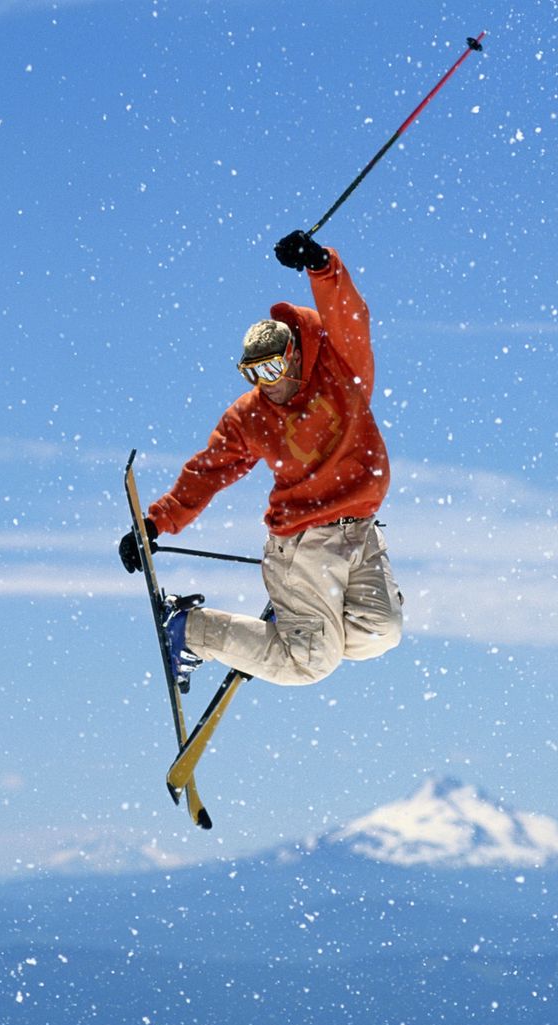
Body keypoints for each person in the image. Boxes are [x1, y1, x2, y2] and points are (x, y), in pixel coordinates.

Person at [119, 229, 403, 688]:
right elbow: (209, 471)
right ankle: (191, 630)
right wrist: (155, 523)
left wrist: (319, 263)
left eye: (271, 369)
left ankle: (296, 626)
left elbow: (350, 315)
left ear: (294, 357)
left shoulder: (341, 369)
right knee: (311, 663)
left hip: (360, 529)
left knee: (381, 631)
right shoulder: (252, 415)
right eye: (252, 374)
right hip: (303, 542)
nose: (266, 384)